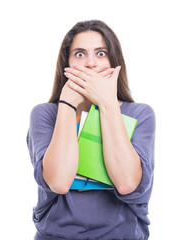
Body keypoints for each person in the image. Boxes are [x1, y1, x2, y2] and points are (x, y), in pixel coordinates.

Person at [27, 20, 156, 240]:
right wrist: (67, 104)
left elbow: (126, 183)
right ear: (65, 64)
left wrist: (106, 104)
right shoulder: (45, 114)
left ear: (114, 61)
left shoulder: (140, 114)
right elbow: (58, 182)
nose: (90, 64)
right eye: (79, 54)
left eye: (101, 53)